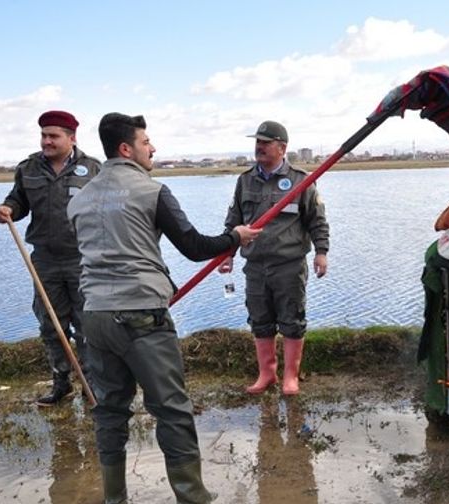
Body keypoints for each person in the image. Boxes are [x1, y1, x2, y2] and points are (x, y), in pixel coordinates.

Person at [67, 112, 260, 504]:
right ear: (126, 148)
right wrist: (234, 237)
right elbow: (193, 246)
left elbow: (101, 253)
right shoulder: (152, 191)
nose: (153, 148)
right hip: (142, 317)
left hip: (95, 317)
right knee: (172, 410)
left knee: (109, 412)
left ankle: (114, 499)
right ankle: (193, 498)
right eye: (146, 141)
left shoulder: (80, 198)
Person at [0, 110, 101, 406]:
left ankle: (92, 386)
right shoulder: (28, 168)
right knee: (51, 325)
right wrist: (7, 209)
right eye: (44, 135)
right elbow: (18, 201)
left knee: (87, 325)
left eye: (54, 136)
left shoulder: (93, 169)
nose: (47, 141)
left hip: (83, 260)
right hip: (45, 261)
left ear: (72, 138)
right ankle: (61, 383)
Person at [219, 120, 329, 396]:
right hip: (255, 265)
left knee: (292, 320)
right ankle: (266, 374)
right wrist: (227, 253)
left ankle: (290, 377)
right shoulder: (245, 181)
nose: (259, 147)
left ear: (282, 147)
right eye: (257, 142)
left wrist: (322, 252)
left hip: (289, 265)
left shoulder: (300, 181)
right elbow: (233, 222)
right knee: (260, 319)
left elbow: (317, 221)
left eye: (265, 143)